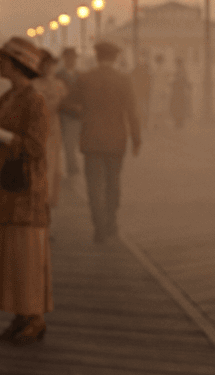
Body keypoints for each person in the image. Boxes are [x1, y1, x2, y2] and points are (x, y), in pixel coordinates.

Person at [0, 37, 53, 345]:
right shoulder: (7, 97)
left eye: (3, 60)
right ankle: (20, 315)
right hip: (3, 186)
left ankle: (34, 317)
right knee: (11, 254)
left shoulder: (35, 101)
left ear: (16, 65)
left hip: (24, 191)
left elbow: (35, 147)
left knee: (26, 255)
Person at [65, 40, 140, 243]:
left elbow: (68, 103)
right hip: (116, 139)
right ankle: (111, 223)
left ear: (97, 57)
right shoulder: (124, 80)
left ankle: (98, 227)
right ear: (115, 58)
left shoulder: (85, 79)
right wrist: (136, 138)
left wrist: (83, 113)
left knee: (94, 185)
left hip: (91, 139)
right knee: (113, 183)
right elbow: (132, 111)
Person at [32, 48, 68, 210]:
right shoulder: (33, 85)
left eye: (52, 65)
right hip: (38, 133)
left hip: (55, 133)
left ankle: (47, 215)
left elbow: (67, 105)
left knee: (55, 173)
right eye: (45, 65)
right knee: (40, 173)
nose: (49, 68)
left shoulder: (60, 85)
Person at [56, 47, 82, 176]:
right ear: (64, 59)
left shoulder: (81, 75)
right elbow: (57, 97)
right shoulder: (58, 76)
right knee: (69, 144)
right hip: (65, 114)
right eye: (69, 57)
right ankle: (72, 167)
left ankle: (72, 167)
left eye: (74, 58)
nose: (72, 60)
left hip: (79, 114)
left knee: (73, 143)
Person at [168, 57, 192, 129]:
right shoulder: (178, 72)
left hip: (180, 92)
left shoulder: (183, 72)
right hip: (177, 92)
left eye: (179, 64)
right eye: (178, 64)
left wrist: (187, 87)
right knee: (176, 106)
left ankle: (179, 122)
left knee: (180, 106)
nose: (178, 65)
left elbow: (185, 81)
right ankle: (177, 122)